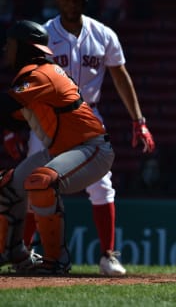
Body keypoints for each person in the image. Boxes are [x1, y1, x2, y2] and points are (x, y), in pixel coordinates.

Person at [7, 0, 155, 276]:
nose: (70, 4)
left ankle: (108, 256)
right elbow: (27, 83)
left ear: (83, 1)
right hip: (47, 118)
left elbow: (121, 76)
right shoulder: (44, 33)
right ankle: (23, 254)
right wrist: (14, 127)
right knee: (36, 184)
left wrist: (138, 119)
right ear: (58, 1)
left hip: (87, 115)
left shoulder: (102, 34)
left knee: (102, 185)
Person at [0, 20, 114, 274]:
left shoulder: (41, 73)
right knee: (8, 185)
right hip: (63, 149)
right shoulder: (34, 73)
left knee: (41, 180)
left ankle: (57, 260)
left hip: (91, 148)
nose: (6, 49)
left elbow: (5, 106)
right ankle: (15, 253)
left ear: (25, 47)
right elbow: (13, 115)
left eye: (10, 44)